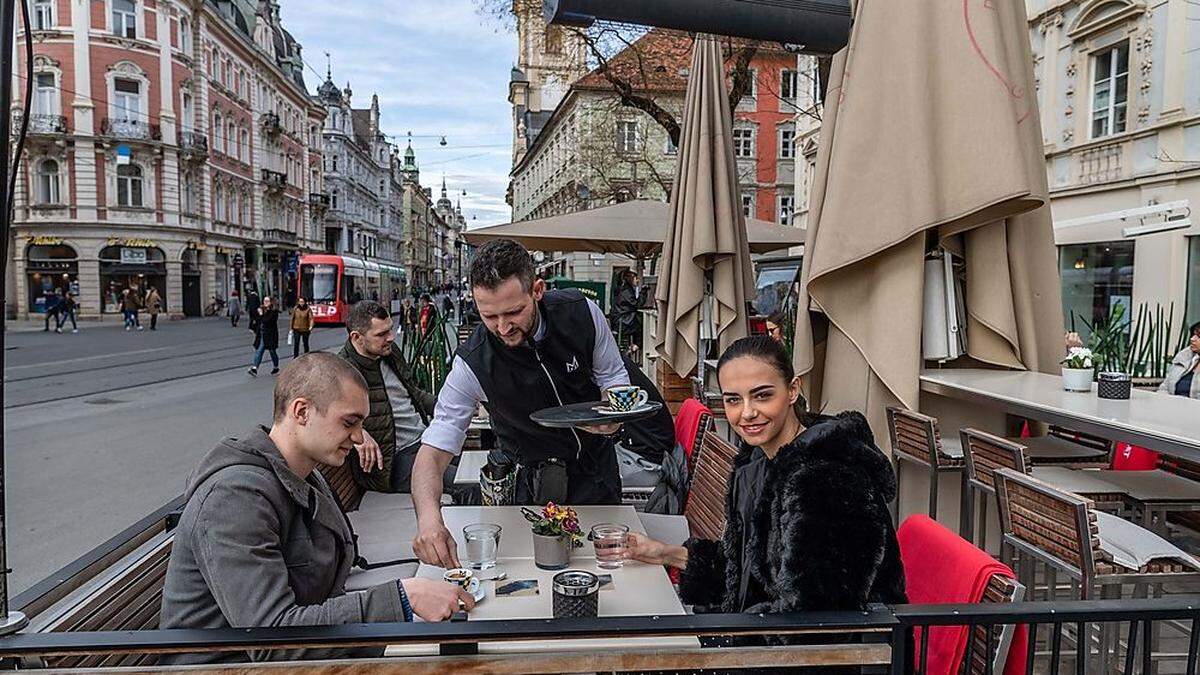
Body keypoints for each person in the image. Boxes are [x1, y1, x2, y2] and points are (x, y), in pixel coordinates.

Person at [159, 354, 473, 665]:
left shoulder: (304, 475)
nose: (359, 436)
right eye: (349, 422)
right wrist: (403, 597)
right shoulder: (234, 498)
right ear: (302, 411)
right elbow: (272, 640)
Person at [622, 336, 907, 618]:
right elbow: (746, 573)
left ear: (793, 390)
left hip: (842, 656)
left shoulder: (827, 479)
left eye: (762, 395)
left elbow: (814, 619)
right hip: (766, 638)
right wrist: (665, 554)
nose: (747, 413)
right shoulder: (758, 462)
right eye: (733, 400)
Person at [411, 238, 628, 568]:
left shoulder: (582, 313)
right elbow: (435, 449)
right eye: (488, 315)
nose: (502, 327)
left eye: (513, 311)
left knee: (604, 573)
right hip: (524, 486)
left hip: (594, 472)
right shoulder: (473, 361)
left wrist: (613, 414)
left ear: (537, 290)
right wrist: (429, 518)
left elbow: (614, 377)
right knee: (525, 573)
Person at [336, 301, 463, 496]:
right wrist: (358, 434)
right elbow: (323, 415)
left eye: (390, 330)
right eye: (381, 334)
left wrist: (454, 404)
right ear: (356, 337)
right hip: (394, 461)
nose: (391, 338)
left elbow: (414, 394)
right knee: (466, 482)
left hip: (424, 439)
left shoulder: (388, 352)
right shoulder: (343, 371)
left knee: (475, 464)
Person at [1159, 322, 1200, 398]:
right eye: (1193, 335)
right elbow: (1164, 388)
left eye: (1199, 336)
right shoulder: (1184, 356)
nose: (1192, 339)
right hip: (1172, 406)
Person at [249, 297, 280, 377]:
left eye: (267, 301)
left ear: (271, 302)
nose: (265, 302)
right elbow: (257, 319)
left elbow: (267, 321)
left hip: (270, 334)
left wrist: (261, 314)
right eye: (264, 301)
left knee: (272, 351)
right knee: (259, 350)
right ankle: (254, 368)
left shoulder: (274, 311)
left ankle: (276, 366)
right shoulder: (262, 309)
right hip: (262, 333)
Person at [613, 270, 642, 356]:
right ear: (630, 279)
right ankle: (635, 346)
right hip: (625, 321)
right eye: (635, 278)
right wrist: (643, 293)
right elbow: (637, 304)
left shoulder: (624, 289)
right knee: (641, 325)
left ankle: (634, 346)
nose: (637, 281)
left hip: (622, 320)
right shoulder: (627, 291)